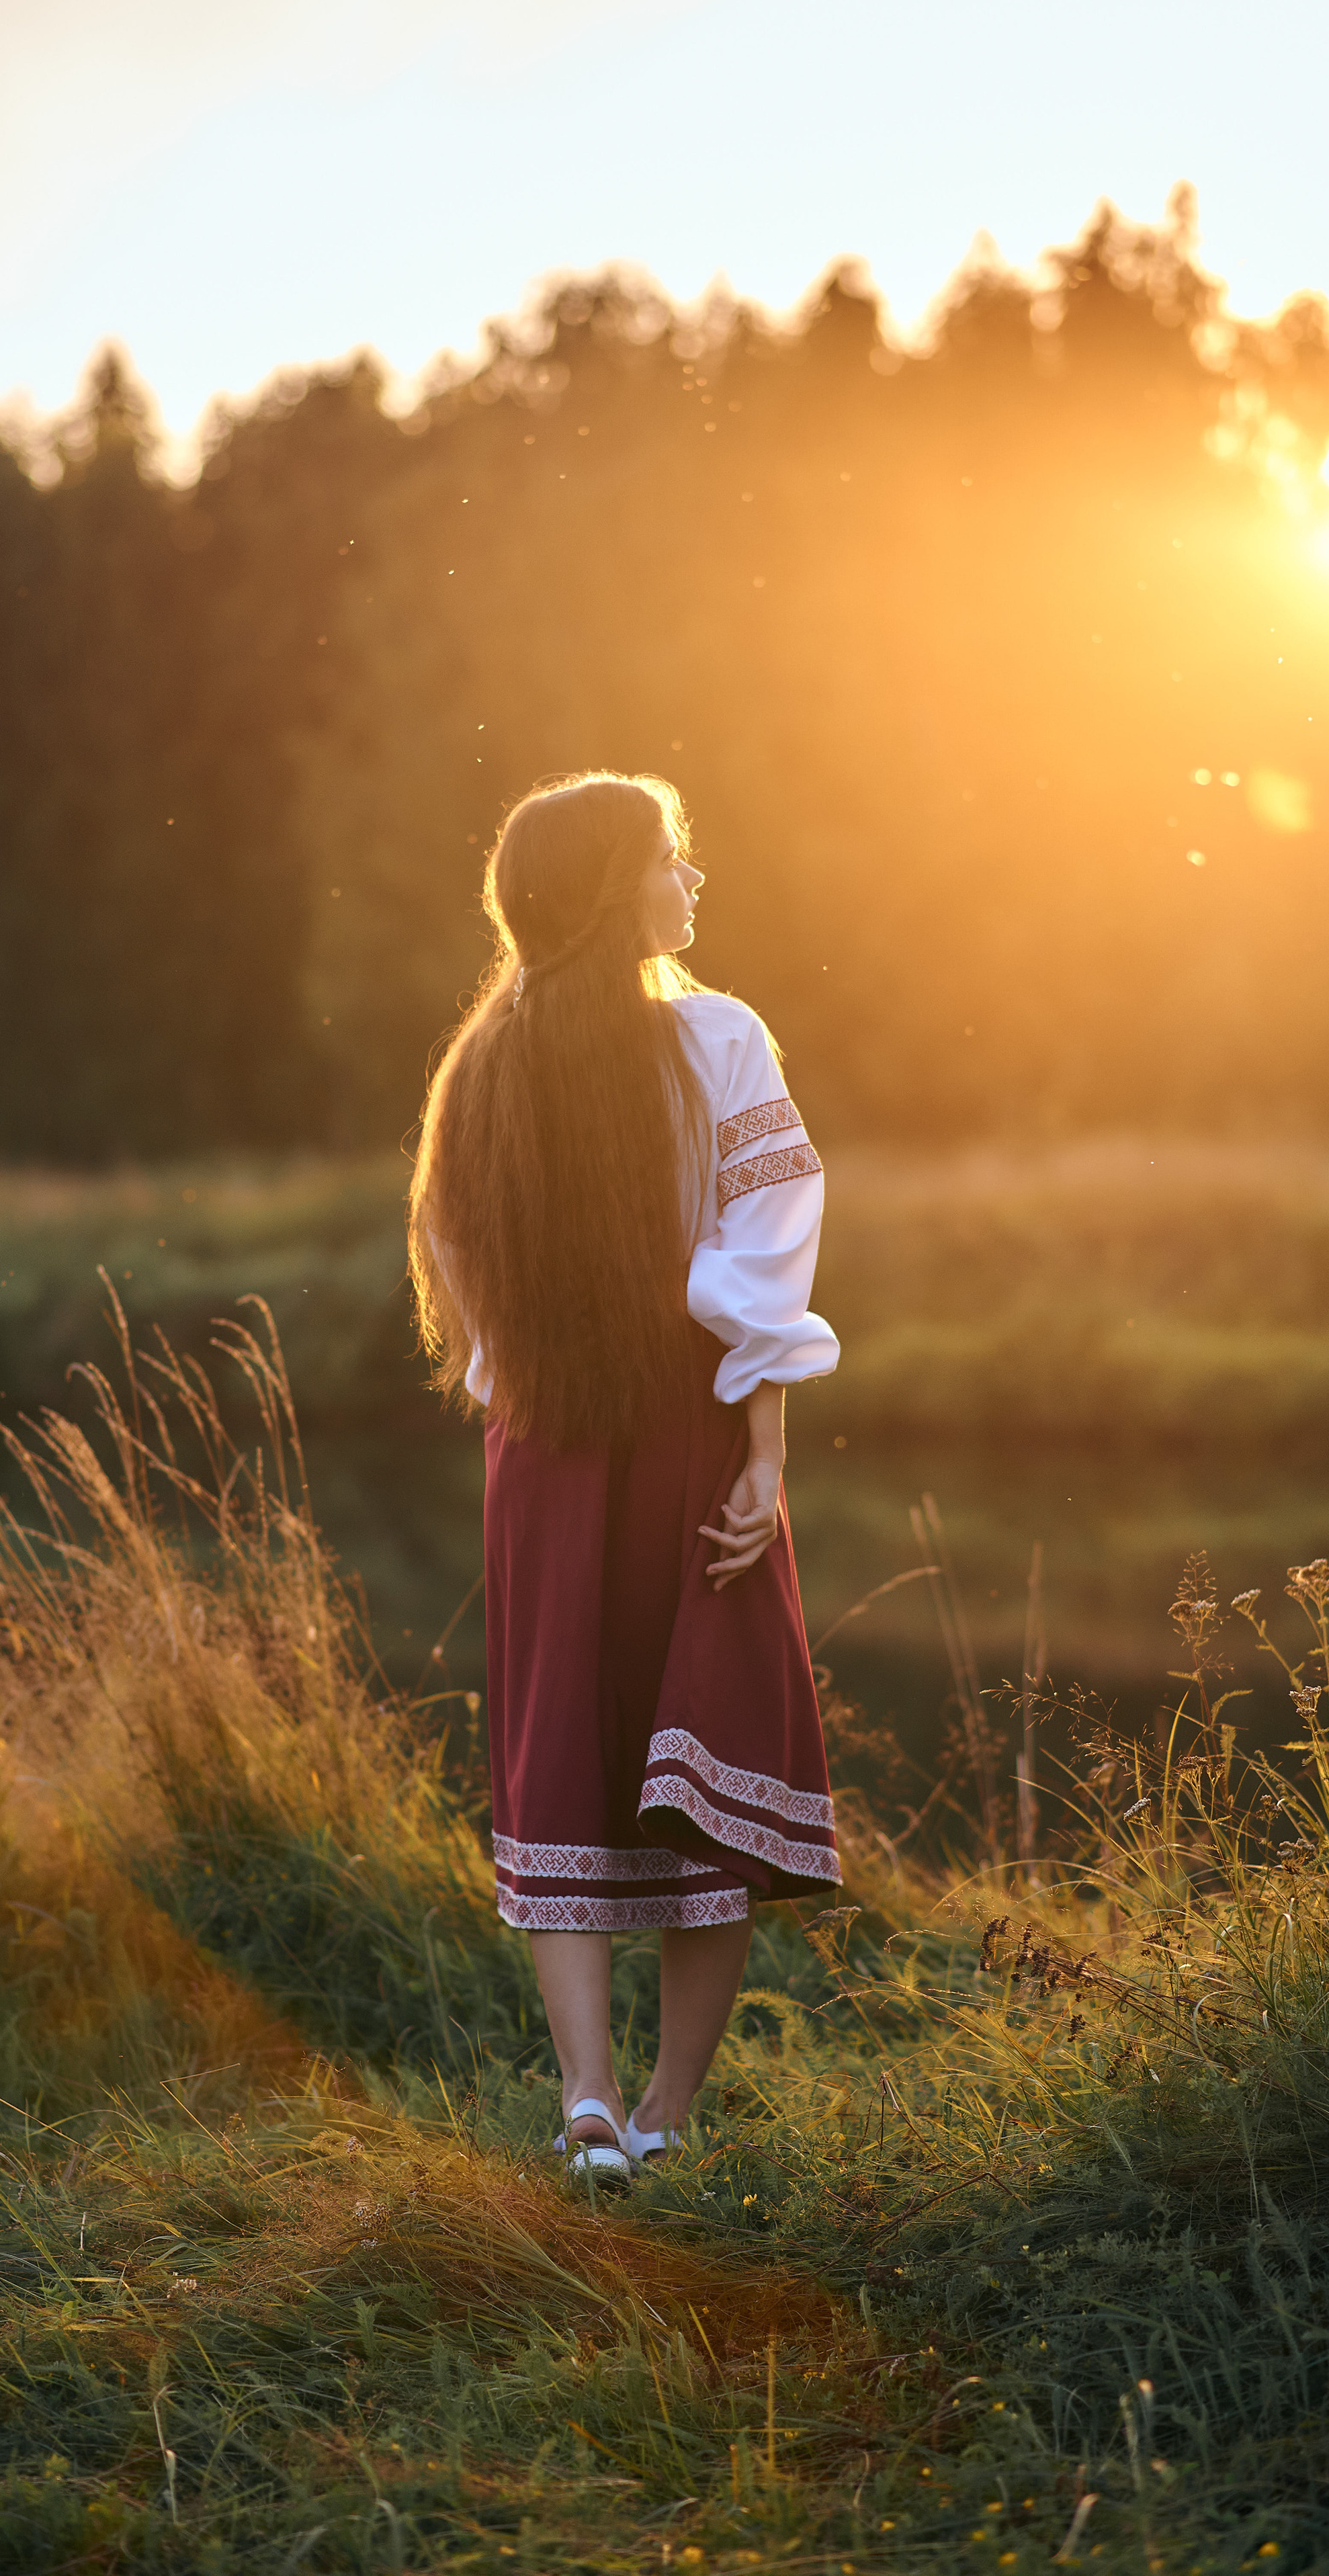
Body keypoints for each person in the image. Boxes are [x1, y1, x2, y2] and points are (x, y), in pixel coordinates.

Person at [409, 771, 841, 2181]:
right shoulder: (714, 1037)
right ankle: (663, 2112)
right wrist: (764, 1448)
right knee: (705, 1745)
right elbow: (761, 1252)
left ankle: (585, 2099)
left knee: (562, 1745)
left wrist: (516, 1388)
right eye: (670, 858)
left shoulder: (479, 1065)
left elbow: (459, 1282)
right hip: (685, 1426)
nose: (691, 880)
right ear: (611, 887)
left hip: (539, 1443)